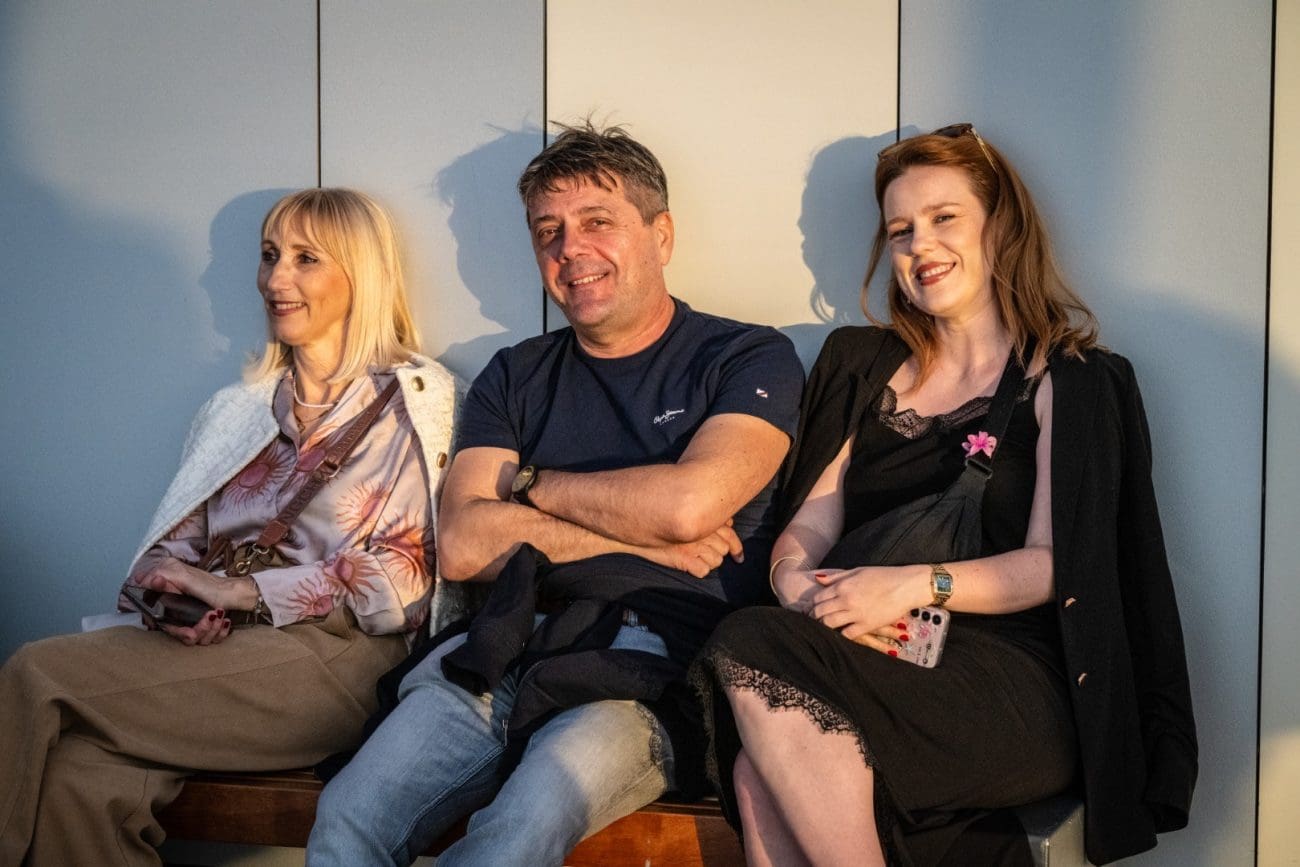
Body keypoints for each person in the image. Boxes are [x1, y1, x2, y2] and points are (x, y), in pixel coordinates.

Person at [692, 125, 1197, 866]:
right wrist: (801, 587)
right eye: (901, 230)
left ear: (1001, 225)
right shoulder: (860, 364)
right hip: (869, 648)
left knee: (747, 650)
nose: (920, 245)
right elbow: (809, 524)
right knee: (753, 765)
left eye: (944, 217)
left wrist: (907, 587)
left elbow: (1052, 566)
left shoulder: (1071, 378)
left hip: (1010, 680)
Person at [307, 122, 805, 866]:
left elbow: (689, 506)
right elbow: (466, 544)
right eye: (549, 231)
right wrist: (642, 538)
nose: (570, 248)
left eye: (597, 222)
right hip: (507, 641)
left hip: (653, 665)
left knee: (521, 826)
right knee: (347, 814)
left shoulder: (746, 355)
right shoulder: (517, 374)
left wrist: (531, 486)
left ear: (661, 235)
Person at [0, 188, 460, 866]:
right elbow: (167, 552)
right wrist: (174, 604)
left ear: (361, 274)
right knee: (79, 781)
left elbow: (406, 584)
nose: (276, 279)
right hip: (217, 654)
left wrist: (243, 592)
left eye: (306, 259)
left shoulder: (416, 402)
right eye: (270, 256)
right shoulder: (237, 410)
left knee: (36, 672)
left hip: (337, 661)